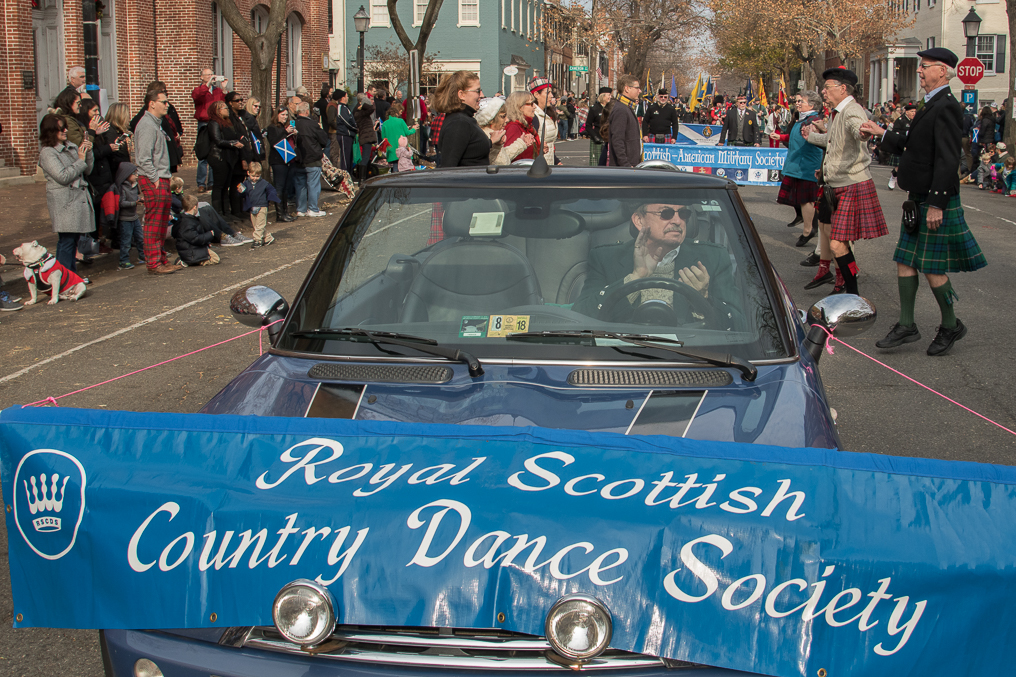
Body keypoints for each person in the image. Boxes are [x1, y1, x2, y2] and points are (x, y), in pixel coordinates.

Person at [860, 48, 987, 356]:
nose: (919, 71)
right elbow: (912, 147)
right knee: (905, 260)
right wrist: (881, 132)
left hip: (933, 196)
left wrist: (937, 204)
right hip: (918, 195)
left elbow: (947, 159)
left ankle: (950, 324)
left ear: (942, 71)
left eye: (925, 66)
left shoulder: (947, 106)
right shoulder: (929, 102)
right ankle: (907, 325)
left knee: (931, 266)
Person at [574, 202, 740, 323]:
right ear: (639, 220)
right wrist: (635, 277)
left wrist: (703, 300)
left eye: (683, 213)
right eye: (666, 213)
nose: (677, 221)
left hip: (689, 356)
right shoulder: (606, 258)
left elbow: (739, 325)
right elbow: (580, 317)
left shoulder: (713, 257)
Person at [803, 67, 888, 296]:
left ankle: (852, 294)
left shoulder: (851, 111)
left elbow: (857, 129)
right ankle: (851, 293)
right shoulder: (837, 112)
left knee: (837, 244)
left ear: (842, 89)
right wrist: (811, 137)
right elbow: (833, 141)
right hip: (838, 184)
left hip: (852, 184)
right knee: (838, 244)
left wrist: (863, 132)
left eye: (827, 87)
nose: (823, 91)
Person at [38, 113, 94, 279]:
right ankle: (63, 278)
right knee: (66, 241)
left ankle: (71, 276)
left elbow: (87, 170)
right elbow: (62, 176)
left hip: (78, 199)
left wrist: (87, 153)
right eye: (61, 128)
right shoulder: (48, 153)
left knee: (74, 240)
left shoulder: (71, 146)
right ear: (51, 131)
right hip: (65, 202)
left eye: (65, 127)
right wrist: (80, 160)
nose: (65, 131)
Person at [135, 84, 180, 275]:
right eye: (164, 102)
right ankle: (153, 262)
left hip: (161, 177)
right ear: (152, 104)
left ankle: (161, 258)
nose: (167, 105)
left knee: (162, 221)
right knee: (154, 222)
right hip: (153, 178)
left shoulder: (156, 123)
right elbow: (143, 158)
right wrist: (154, 179)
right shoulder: (146, 125)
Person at [771, 90, 823, 251]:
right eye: (797, 101)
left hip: (806, 165)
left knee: (806, 199)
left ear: (812, 105)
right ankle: (809, 226)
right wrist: (781, 137)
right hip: (797, 163)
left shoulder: (813, 121)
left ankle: (809, 229)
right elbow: (795, 138)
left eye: (801, 101)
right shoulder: (803, 119)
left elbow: (817, 140)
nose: (797, 103)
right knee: (801, 199)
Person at [434, 70, 491, 168]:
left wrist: (491, 142)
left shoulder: (464, 120)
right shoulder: (459, 123)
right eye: (477, 91)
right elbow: (448, 167)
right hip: (468, 178)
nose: (481, 95)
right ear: (461, 94)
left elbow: (471, 151)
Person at [206, 100, 246, 223]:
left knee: (226, 186)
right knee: (219, 186)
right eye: (224, 108)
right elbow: (217, 140)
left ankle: (226, 212)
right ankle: (218, 212)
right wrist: (233, 143)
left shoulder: (227, 123)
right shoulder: (214, 123)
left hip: (229, 158)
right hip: (219, 157)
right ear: (218, 111)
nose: (227, 110)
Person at [192, 68, 228, 192]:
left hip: (215, 122)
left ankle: (212, 182)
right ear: (201, 77)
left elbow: (223, 103)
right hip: (203, 122)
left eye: (212, 75)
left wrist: (224, 88)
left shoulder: (217, 91)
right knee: (203, 152)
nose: (210, 77)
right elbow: (197, 97)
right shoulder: (198, 90)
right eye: (207, 75)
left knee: (214, 151)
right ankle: (201, 183)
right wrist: (207, 85)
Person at [293, 101, 329, 217]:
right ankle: (313, 208)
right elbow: (324, 140)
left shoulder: (293, 124)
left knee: (300, 185)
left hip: (298, 158)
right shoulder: (313, 125)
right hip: (312, 157)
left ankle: (301, 209)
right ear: (307, 111)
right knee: (313, 184)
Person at [109, 162, 145, 270]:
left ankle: (142, 255)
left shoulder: (135, 185)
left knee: (140, 238)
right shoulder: (121, 188)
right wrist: (134, 203)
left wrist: (139, 199)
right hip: (125, 219)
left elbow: (135, 197)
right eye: (134, 173)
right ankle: (123, 261)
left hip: (134, 217)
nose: (136, 176)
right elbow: (121, 203)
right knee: (126, 241)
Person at [266, 107, 298, 222]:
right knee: (279, 187)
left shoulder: (285, 127)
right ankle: (280, 214)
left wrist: (293, 134)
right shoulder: (272, 127)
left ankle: (285, 212)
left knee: (285, 188)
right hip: (277, 160)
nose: (284, 117)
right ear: (277, 115)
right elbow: (274, 141)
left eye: (286, 115)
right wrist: (285, 132)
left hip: (287, 160)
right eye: (282, 115)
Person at [239, 162, 281, 248]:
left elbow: (272, 190)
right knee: (256, 225)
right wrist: (240, 191)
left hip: (262, 206)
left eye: (257, 176)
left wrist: (271, 198)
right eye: (253, 176)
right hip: (252, 206)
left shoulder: (264, 183)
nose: (255, 178)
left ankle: (257, 240)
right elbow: (242, 194)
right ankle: (268, 237)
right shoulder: (246, 183)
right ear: (248, 173)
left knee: (259, 225)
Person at [175, 194, 221, 267]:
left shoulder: (185, 219)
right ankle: (187, 261)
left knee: (211, 255)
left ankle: (190, 260)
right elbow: (196, 238)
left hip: (190, 248)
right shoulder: (188, 222)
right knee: (215, 258)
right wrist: (209, 235)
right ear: (194, 207)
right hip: (190, 251)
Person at [607, 74, 643, 167]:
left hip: (630, 164)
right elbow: (617, 140)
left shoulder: (626, 108)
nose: (640, 91)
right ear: (627, 89)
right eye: (637, 88)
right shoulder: (621, 110)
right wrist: (625, 164)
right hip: (624, 167)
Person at [499, 91, 540, 164]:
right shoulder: (513, 127)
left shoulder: (525, 126)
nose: (535, 106)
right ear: (520, 107)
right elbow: (508, 156)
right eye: (531, 104)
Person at [528, 76, 558, 165]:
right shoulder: (534, 116)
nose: (551, 96)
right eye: (547, 92)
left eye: (551, 92)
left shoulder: (549, 113)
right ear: (536, 94)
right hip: (538, 164)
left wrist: (556, 161)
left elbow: (550, 144)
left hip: (549, 162)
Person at [886, 103, 916, 189]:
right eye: (912, 111)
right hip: (900, 145)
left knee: (909, 167)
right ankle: (893, 177)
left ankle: (907, 184)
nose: (914, 113)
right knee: (898, 167)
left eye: (915, 111)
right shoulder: (900, 120)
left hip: (910, 146)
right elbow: (895, 132)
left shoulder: (915, 121)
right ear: (907, 112)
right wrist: (905, 133)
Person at [327, 90, 358, 174]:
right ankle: (345, 174)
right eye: (346, 96)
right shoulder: (340, 107)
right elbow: (346, 120)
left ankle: (349, 173)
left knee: (349, 157)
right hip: (344, 134)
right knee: (345, 157)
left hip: (348, 134)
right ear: (342, 98)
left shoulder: (345, 107)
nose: (347, 98)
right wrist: (354, 128)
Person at [380, 102, 417, 171]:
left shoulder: (385, 124)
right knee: (405, 169)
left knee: (395, 168)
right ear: (396, 113)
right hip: (402, 149)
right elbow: (407, 132)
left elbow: (383, 138)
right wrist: (414, 129)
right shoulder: (400, 121)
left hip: (391, 150)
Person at [353, 92, 377, 183]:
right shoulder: (362, 113)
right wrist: (364, 105)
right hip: (366, 137)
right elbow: (372, 108)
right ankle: (362, 179)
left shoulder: (359, 113)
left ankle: (364, 177)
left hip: (364, 136)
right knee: (366, 158)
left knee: (366, 157)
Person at [475, 97, 507, 164]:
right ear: (491, 119)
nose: (507, 120)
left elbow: (504, 158)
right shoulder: (484, 136)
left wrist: (521, 143)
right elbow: (488, 161)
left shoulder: (494, 134)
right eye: (503, 116)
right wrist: (496, 146)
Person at [586, 89, 612, 166]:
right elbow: (588, 125)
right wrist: (595, 137)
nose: (610, 97)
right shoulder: (594, 108)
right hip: (597, 139)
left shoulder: (611, 108)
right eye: (608, 95)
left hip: (609, 139)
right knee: (596, 163)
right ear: (603, 96)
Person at [241, 97, 267, 164]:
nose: (258, 108)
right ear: (250, 105)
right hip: (252, 153)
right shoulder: (249, 118)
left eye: (259, 106)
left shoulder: (249, 117)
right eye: (255, 106)